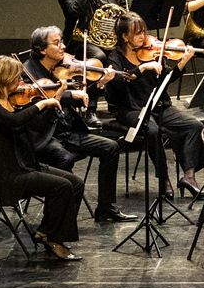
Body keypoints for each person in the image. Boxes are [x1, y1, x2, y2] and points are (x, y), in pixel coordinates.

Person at [21, 25, 132, 223]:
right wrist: (70, 94)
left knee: (111, 147)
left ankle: (106, 207)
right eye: (57, 43)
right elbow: (40, 98)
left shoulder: (59, 68)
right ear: (41, 49)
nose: (63, 47)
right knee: (64, 158)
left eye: (62, 41)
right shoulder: (27, 72)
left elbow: (82, 95)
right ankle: (60, 217)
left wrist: (99, 83)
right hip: (46, 135)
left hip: (67, 131)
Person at [0, 54, 83, 260]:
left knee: (76, 183)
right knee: (62, 187)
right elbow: (14, 121)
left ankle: (47, 231)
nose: (21, 83)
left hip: (29, 164)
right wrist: (40, 105)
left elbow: (34, 125)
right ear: (4, 78)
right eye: (17, 78)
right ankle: (52, 238)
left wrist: (54, 100)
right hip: (10, 174)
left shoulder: (13, 101)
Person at [106, 10, 204, 196]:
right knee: (153, 131)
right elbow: (118, 83)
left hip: (158, 105)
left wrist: (183, 61)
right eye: (137, 33)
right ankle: (164, 179)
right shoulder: (115, 57)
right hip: (131, 109)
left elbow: (166, 78)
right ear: (124, 36)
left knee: (194, 125)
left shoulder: (150, 52)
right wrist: (142, 68)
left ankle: (189, 176)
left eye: (143, 31)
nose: (143, 37)